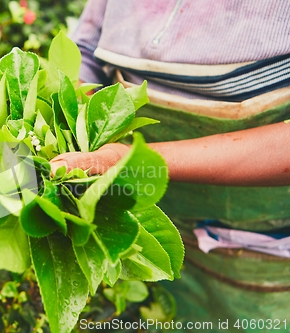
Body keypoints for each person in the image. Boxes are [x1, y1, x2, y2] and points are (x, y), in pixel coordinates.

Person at [51, 1, 290, 332]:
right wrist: (78, 125)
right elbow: (88, 47)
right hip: (136, 208)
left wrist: (132, 161)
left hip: (258, 239)